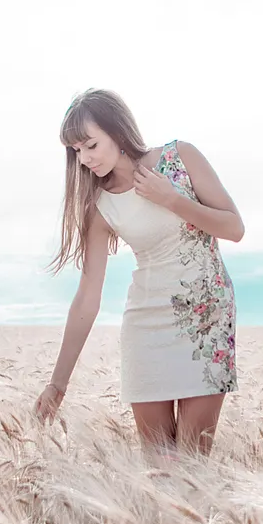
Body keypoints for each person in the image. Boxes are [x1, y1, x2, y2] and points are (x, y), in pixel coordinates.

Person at [33, 88, 244, 459]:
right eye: (76, 151)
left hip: (207, 321)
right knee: (160, 470)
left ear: (116, 130)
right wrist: (58, 384)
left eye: (90, 146)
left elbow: (234, 228)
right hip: (146, 329)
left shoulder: (181, 157)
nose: (83, 159)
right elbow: (87, 295)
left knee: (195, 464)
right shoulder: (100, 206)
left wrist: (172, 200)